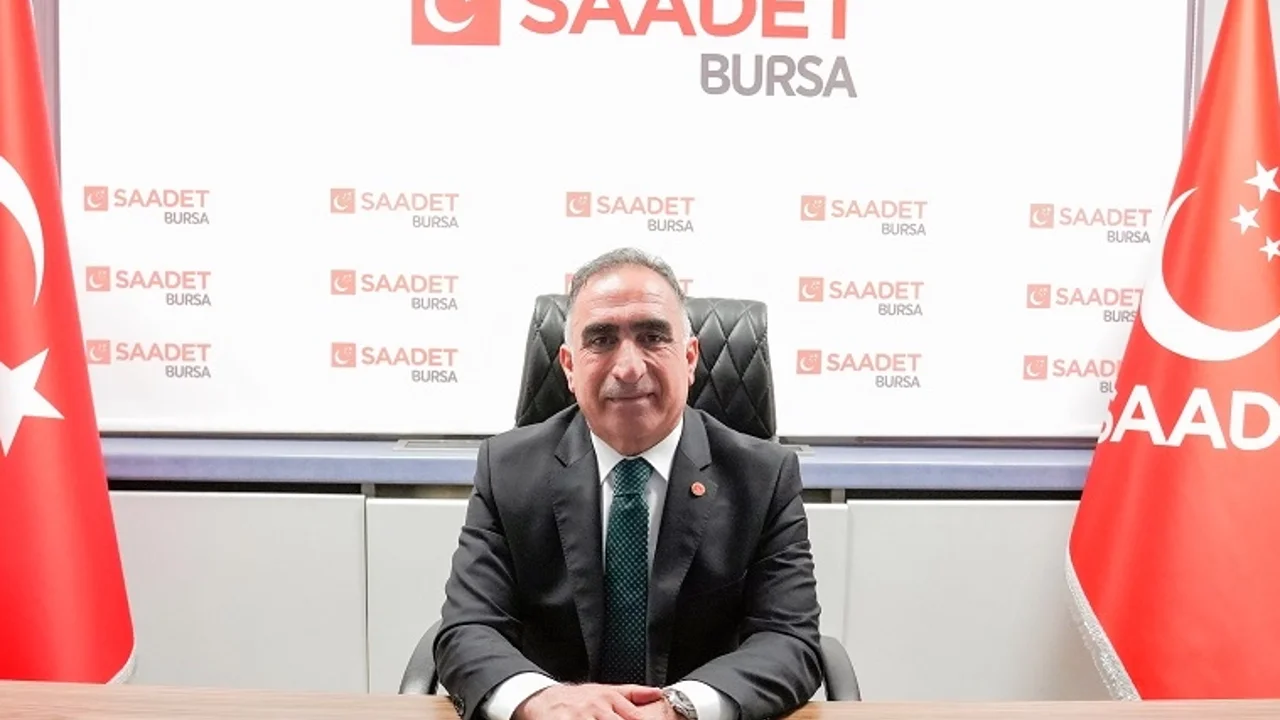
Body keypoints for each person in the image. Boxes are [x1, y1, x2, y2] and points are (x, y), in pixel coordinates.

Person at [434, 248, 823, 720]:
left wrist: (678, 708)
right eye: (601, 340)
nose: (629, 367)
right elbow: (468, 629)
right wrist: (544, 700)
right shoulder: (507, 470)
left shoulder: (763, 477)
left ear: (690, 357)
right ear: (569, 367)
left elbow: (788, 640)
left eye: (652, 337)